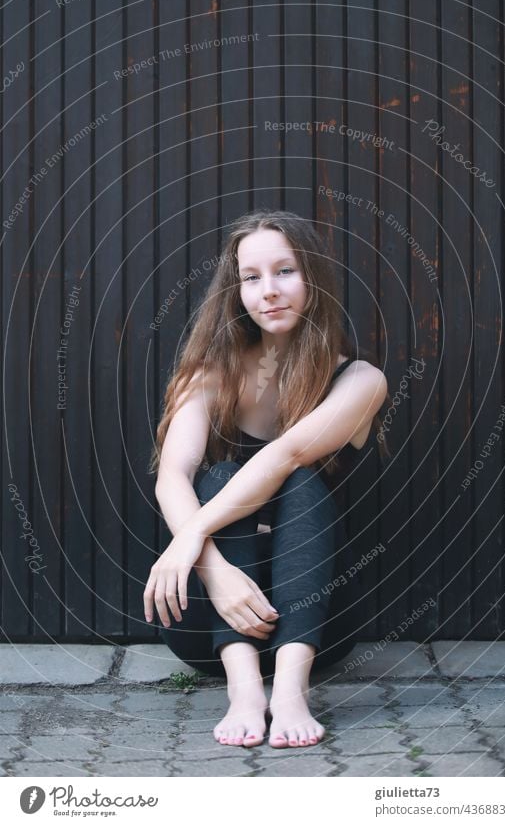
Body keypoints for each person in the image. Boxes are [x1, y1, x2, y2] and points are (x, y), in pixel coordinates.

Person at [145, 210, 390, 749]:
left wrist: (186, 541)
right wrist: (215, 572)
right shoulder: (208, 374)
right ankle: (245, 689)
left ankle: (291, 691)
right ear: (236, 292)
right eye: (251, 277)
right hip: (206, 622)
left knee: (299, 477)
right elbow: (172, 476)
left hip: (320, 624)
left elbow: (283, 455)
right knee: (222, 474)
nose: (269, 291)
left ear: (314, 279)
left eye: (286, 271)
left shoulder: (359, 380)